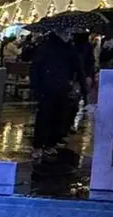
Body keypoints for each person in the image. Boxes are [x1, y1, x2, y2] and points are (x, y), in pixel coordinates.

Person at [29, 26, 87, 162]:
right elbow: (36, 67)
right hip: (48, 87)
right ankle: (39, 145)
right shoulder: (47, 46)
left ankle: (50, 143)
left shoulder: (69, 48)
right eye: (66, 32)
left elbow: (78, 67)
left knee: (59, 116)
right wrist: (36, 87)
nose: (69, 34)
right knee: (45, 116)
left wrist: (82, 86)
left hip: (62, 86)